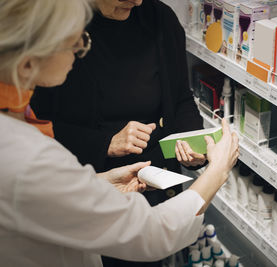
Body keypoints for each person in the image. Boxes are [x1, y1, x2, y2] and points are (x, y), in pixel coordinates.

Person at [0, 1, 240, 267]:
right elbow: (153, 233)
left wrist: (100, 183)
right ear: (27, 63)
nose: (80, 48)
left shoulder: (17, 139)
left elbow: (51, 196)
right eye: (72, 42)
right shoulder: (29, 157)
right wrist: (218, 171)